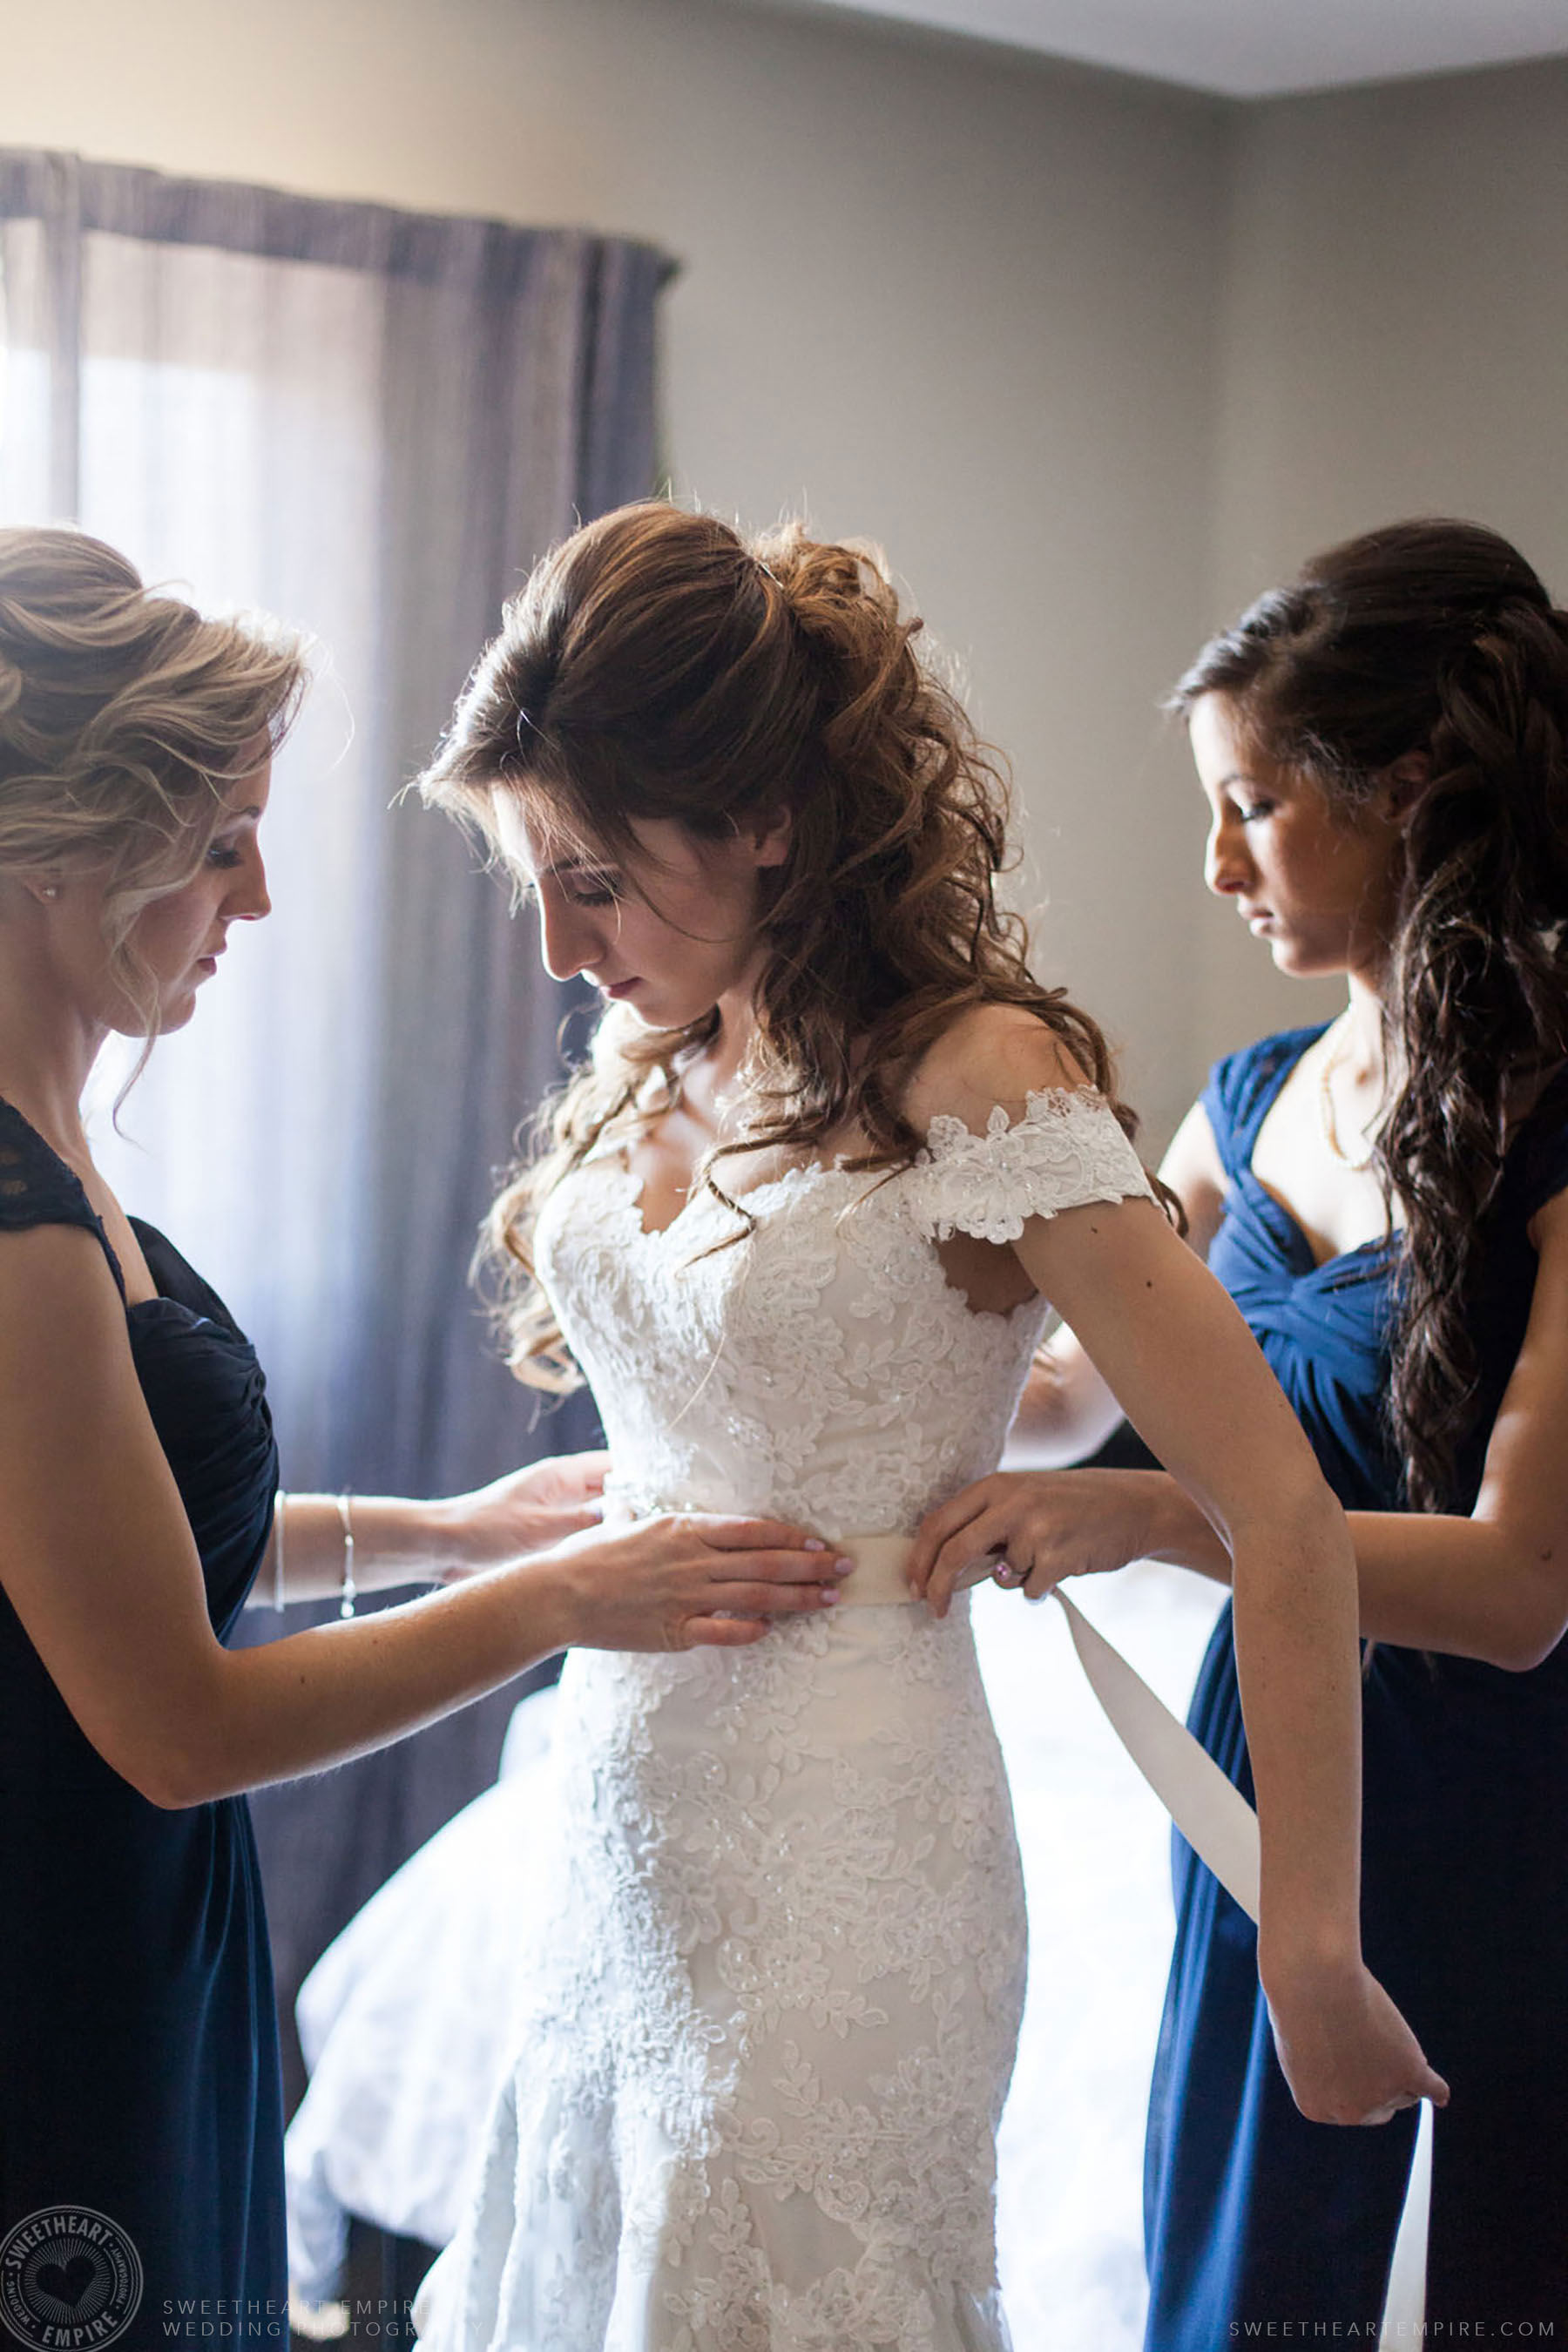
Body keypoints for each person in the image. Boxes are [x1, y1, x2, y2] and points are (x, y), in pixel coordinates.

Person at [407, 501, 1439, 2352]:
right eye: (532, 884)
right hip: (627, 1812)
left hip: (858, 1844)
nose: (561, 948)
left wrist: (1311, 1943)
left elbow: (1277, 1514)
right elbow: (974, 1382)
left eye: (595, 878)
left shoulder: (980, 1073)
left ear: (770, 824)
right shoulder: (668, 1038)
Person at [0, 525, 850, 2335]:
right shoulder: (5, 1224)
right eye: (224, 843)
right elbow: (177, 1720)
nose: (257, 902)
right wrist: (567, 1603)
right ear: (79, 840)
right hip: (51, 1943)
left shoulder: (56, 1148)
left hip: (134, 1915)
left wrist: (464, 1532)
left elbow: (126, 1535)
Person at [911, 517, 1568, 2338]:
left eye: (1255, 803)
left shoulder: (1559, 1127)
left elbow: (1523, 1590)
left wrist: (1159, 1528)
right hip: (1266, 1773)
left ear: (1414, 791)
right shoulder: (1248, 1102)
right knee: (1247, 2273)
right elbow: (1070, 1405)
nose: (1214, 865)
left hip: (1499, 1809)